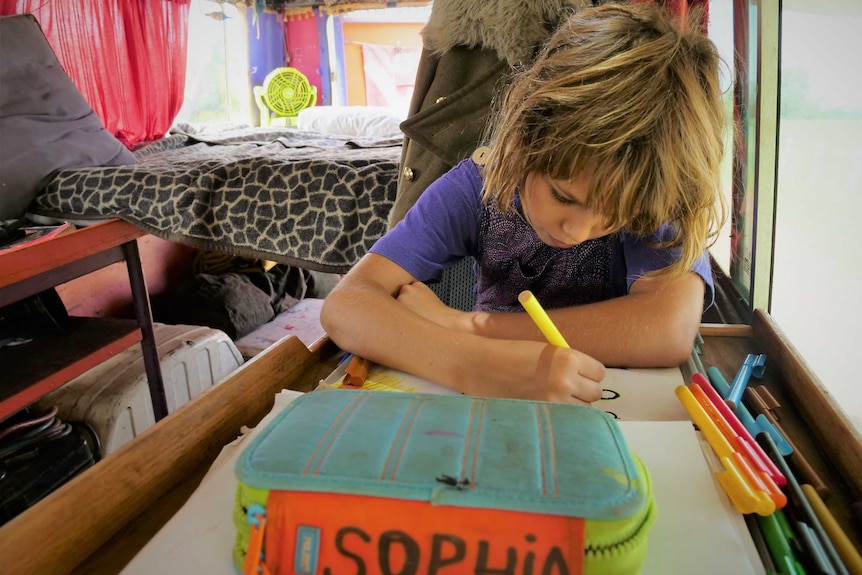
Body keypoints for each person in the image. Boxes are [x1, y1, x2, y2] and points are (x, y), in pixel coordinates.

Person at [320, 2, 726, 405]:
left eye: (616, 218)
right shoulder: (475, 188)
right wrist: (471, 365)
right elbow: (347, 305)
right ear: (523, 135)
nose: (578, 231)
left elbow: (666, 330)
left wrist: (469, 327)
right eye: (563, 196)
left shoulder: (651, 189)